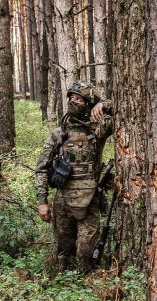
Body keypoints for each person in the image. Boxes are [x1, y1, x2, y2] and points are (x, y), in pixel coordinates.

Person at [34, 82, 114, 274]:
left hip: (90, 201)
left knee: (87, 251)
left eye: (79, 99)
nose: (73, 101)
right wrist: (42, 201)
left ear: (89, 104)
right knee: (64, 250)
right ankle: (65, 287)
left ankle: (88, 285)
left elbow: (125, 109)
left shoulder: (97, 130)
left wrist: (104, 104)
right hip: (62, 200)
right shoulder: (58, 134)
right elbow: (41, 169)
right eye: (72, 98)